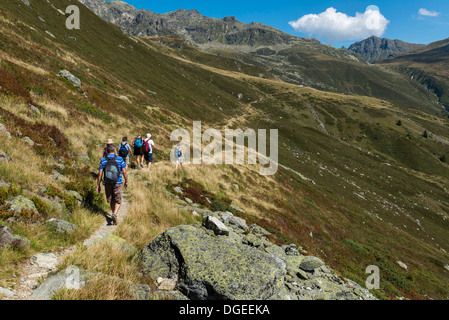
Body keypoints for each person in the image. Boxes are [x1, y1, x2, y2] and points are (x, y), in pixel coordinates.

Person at [96, 145, 128, 226]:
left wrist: (98, 185)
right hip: (118, 182)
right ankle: (115, 214)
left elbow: (100, 173)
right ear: (114, 151)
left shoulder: (103, 160)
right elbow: (124, 171)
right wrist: (126, 181)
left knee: (111, 199)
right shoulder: (120, 159)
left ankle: (113, 214)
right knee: (118, 200)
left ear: (106, 151)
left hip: (107, 182)